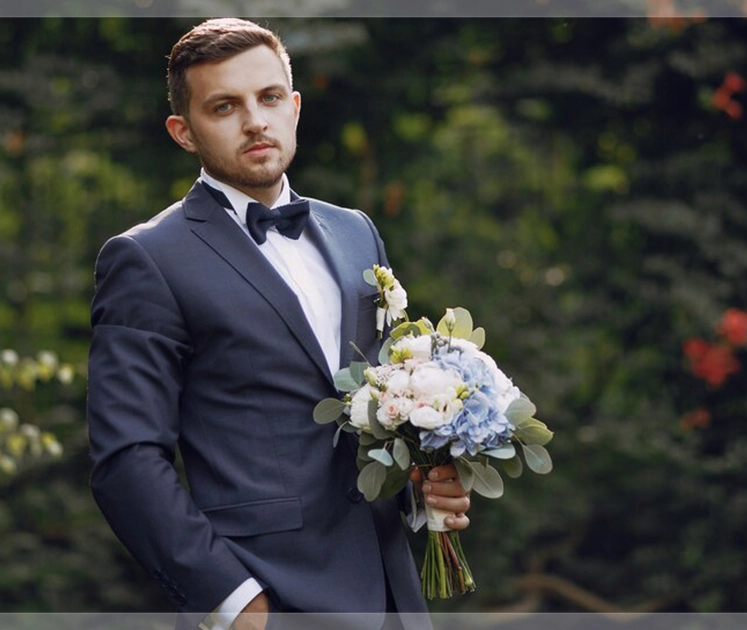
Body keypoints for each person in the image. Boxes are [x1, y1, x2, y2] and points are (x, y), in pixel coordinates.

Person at [86, 18, 471, 630]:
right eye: (224, 106)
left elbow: (382, 408)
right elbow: (127, 458)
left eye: (268, 98)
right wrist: (232, 602)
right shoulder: (147, 259)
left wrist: (424, 492)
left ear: (293, 106)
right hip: (268, 595)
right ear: (183, 132)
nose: (255, 121)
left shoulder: (355, 232)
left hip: (392, 594)